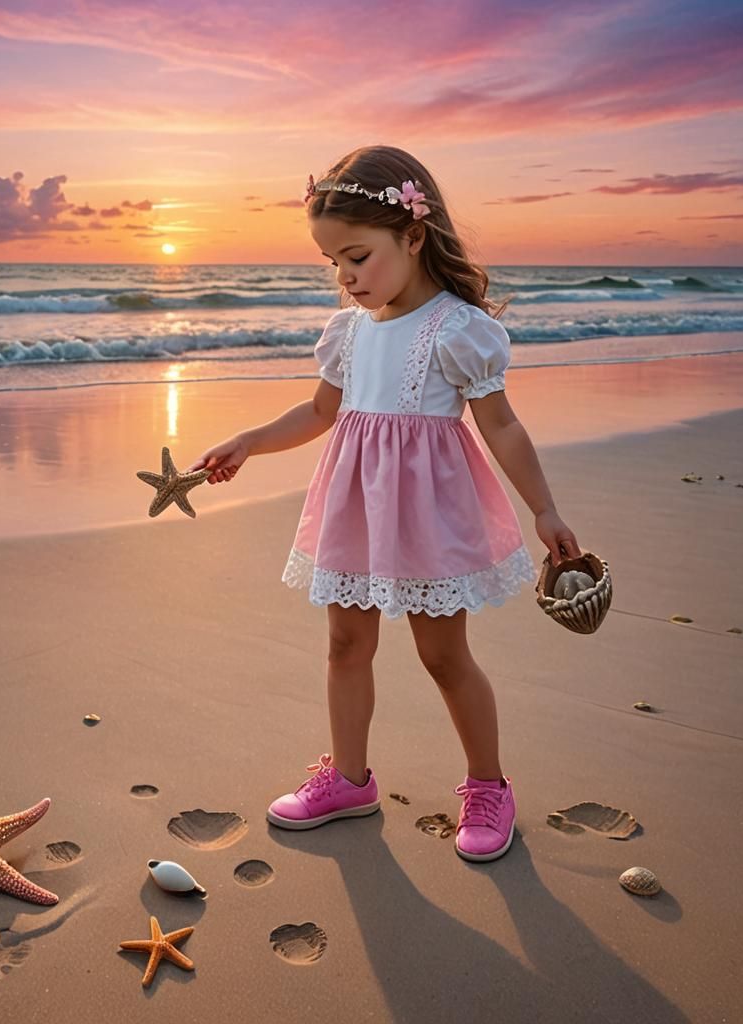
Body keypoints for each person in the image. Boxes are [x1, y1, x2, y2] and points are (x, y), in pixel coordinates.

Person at [187, 145, 581, 862]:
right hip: (354, 510)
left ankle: (489, 785)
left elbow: (502, 425)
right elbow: (318, 414)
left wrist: (544, 509)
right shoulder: (348, 331)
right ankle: (348, 779)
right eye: (332, 262)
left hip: (429, 515)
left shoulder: (456, 330)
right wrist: (249, 440)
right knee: (345, 645)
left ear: (413, 236)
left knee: (443, 655)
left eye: (357, 257)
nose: (345, 277)